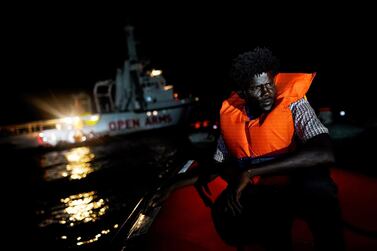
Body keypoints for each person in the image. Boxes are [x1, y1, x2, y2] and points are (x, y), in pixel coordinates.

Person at [150, 47, 345, 251]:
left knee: (320, 188)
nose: (267, 92)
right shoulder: (233, 115)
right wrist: (172, 185)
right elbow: (216, 164)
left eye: (270, 84)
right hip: (266, 192)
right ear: (243, 93)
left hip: (297, 183)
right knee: (232, 210)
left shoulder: (295, 104)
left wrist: (250, 171)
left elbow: (324, 153)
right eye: (257, 88)